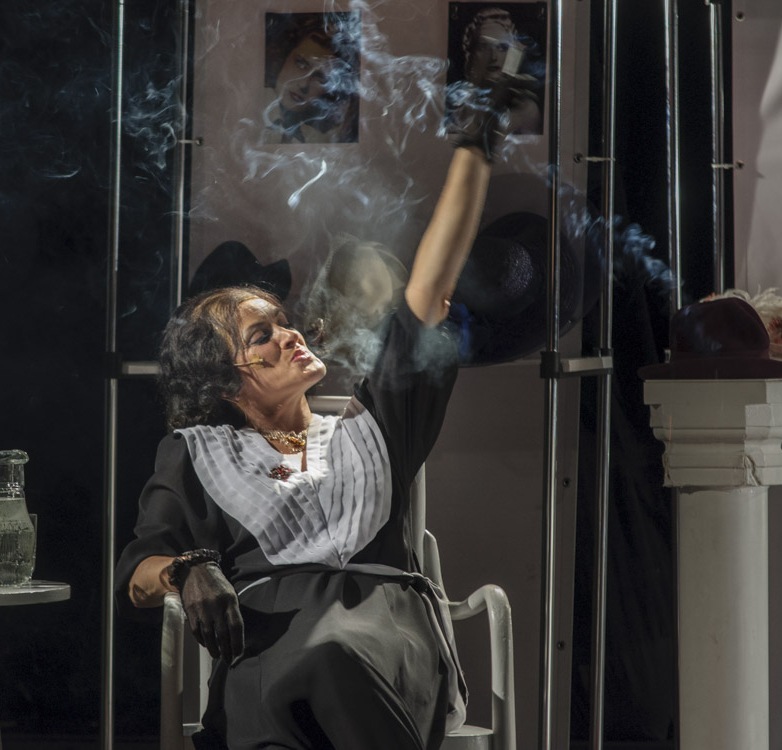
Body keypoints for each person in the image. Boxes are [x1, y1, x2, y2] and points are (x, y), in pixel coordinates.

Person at [115, 74, 521, 750]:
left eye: (284, 322)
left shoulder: (375, 427)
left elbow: (429, 291)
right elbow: (137, 572)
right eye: (262, 336)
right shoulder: (195, 454)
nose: (290, 335)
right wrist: (187, 570)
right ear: (226, 380)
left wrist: (475, 145)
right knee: (304, 671)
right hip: (266, 644)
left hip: (388, 639)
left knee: (333, 654)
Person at [262, 15, 359, 144]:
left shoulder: (314, 138)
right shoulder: (251, 110)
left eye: (321, 78)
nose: (304, 85)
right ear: (284, 57)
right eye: (301, 64)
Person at [458, 6, 542, 136]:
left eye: (502, 47)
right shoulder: (458, 107)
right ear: (471, 54)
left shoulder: (526, 111)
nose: (494, 57)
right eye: (484, 47)